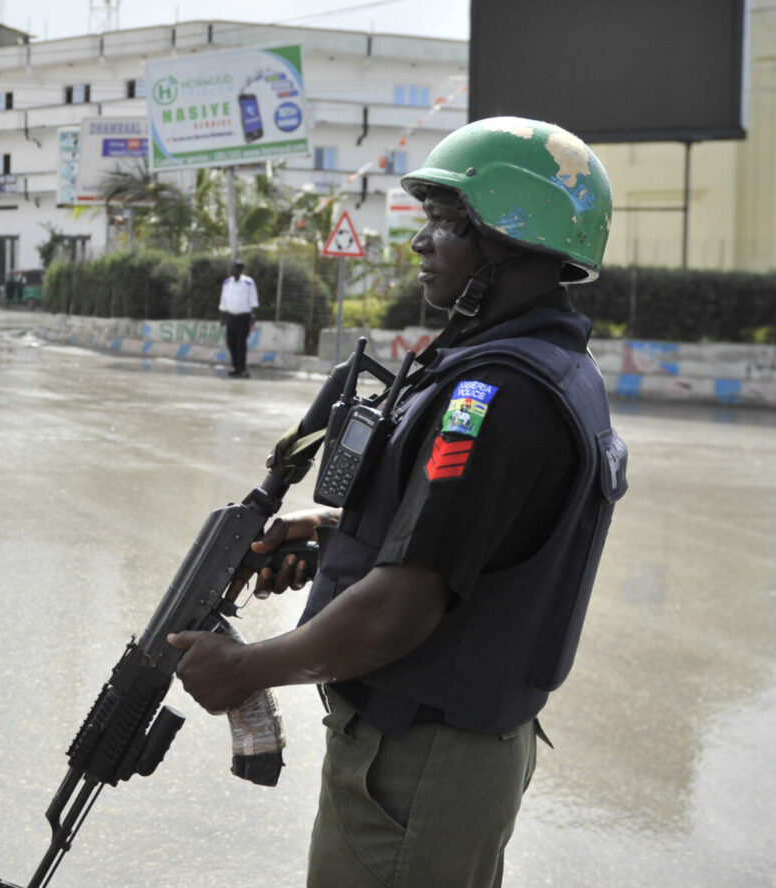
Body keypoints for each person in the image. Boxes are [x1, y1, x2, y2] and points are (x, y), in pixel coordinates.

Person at [167, 118, 628, 888]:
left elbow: (402, 608)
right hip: (432, 751)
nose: (420, 242)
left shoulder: (496, 393)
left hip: (418, 764)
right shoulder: (535, 365)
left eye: (445, 221)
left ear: (506, 237)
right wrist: (334, 535)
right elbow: (462, 540)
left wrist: (246, 668)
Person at [218, 259, 259, 377]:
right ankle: (235, 367)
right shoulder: (227, 283)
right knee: (231, 343)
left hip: (243, 317)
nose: (232, 270)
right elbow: (223, 301)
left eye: (235, 268)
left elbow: (253, 300)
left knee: (241, 344)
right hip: (231, 316)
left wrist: (253, 317)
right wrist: (222, 317)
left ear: (240, 270)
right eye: (232, 268)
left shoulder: (248, 282)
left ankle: (242, 369)